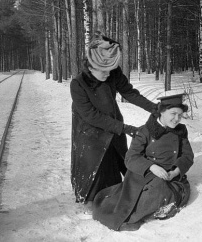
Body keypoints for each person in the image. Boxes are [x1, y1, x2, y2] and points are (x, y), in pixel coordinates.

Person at [70, 31, 157, 207]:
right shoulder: (78, 84)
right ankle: (91, 200)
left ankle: (118, 194)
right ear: (91, 67)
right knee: (95, 167)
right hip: (89, 132)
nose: (108, 75)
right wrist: (127, 128)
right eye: (103, 72)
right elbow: (91, 115)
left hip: (114, 125)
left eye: (110, 71)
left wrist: (156, 109)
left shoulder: (113, 72)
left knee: (119, 159)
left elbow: (130, 93)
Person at [92, 93, 194, 231]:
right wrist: (152, 167)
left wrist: (176, 171)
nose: (177, 119)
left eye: (180, 115)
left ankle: (142, 213)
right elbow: (131, 158)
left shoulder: (180, 131)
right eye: (173, 113)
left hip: (170, 175)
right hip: (144, 174)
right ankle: (126, 218)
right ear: (162, 111)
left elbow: (188, 156)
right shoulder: (146, 131)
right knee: (143, 193)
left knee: (165, 190)